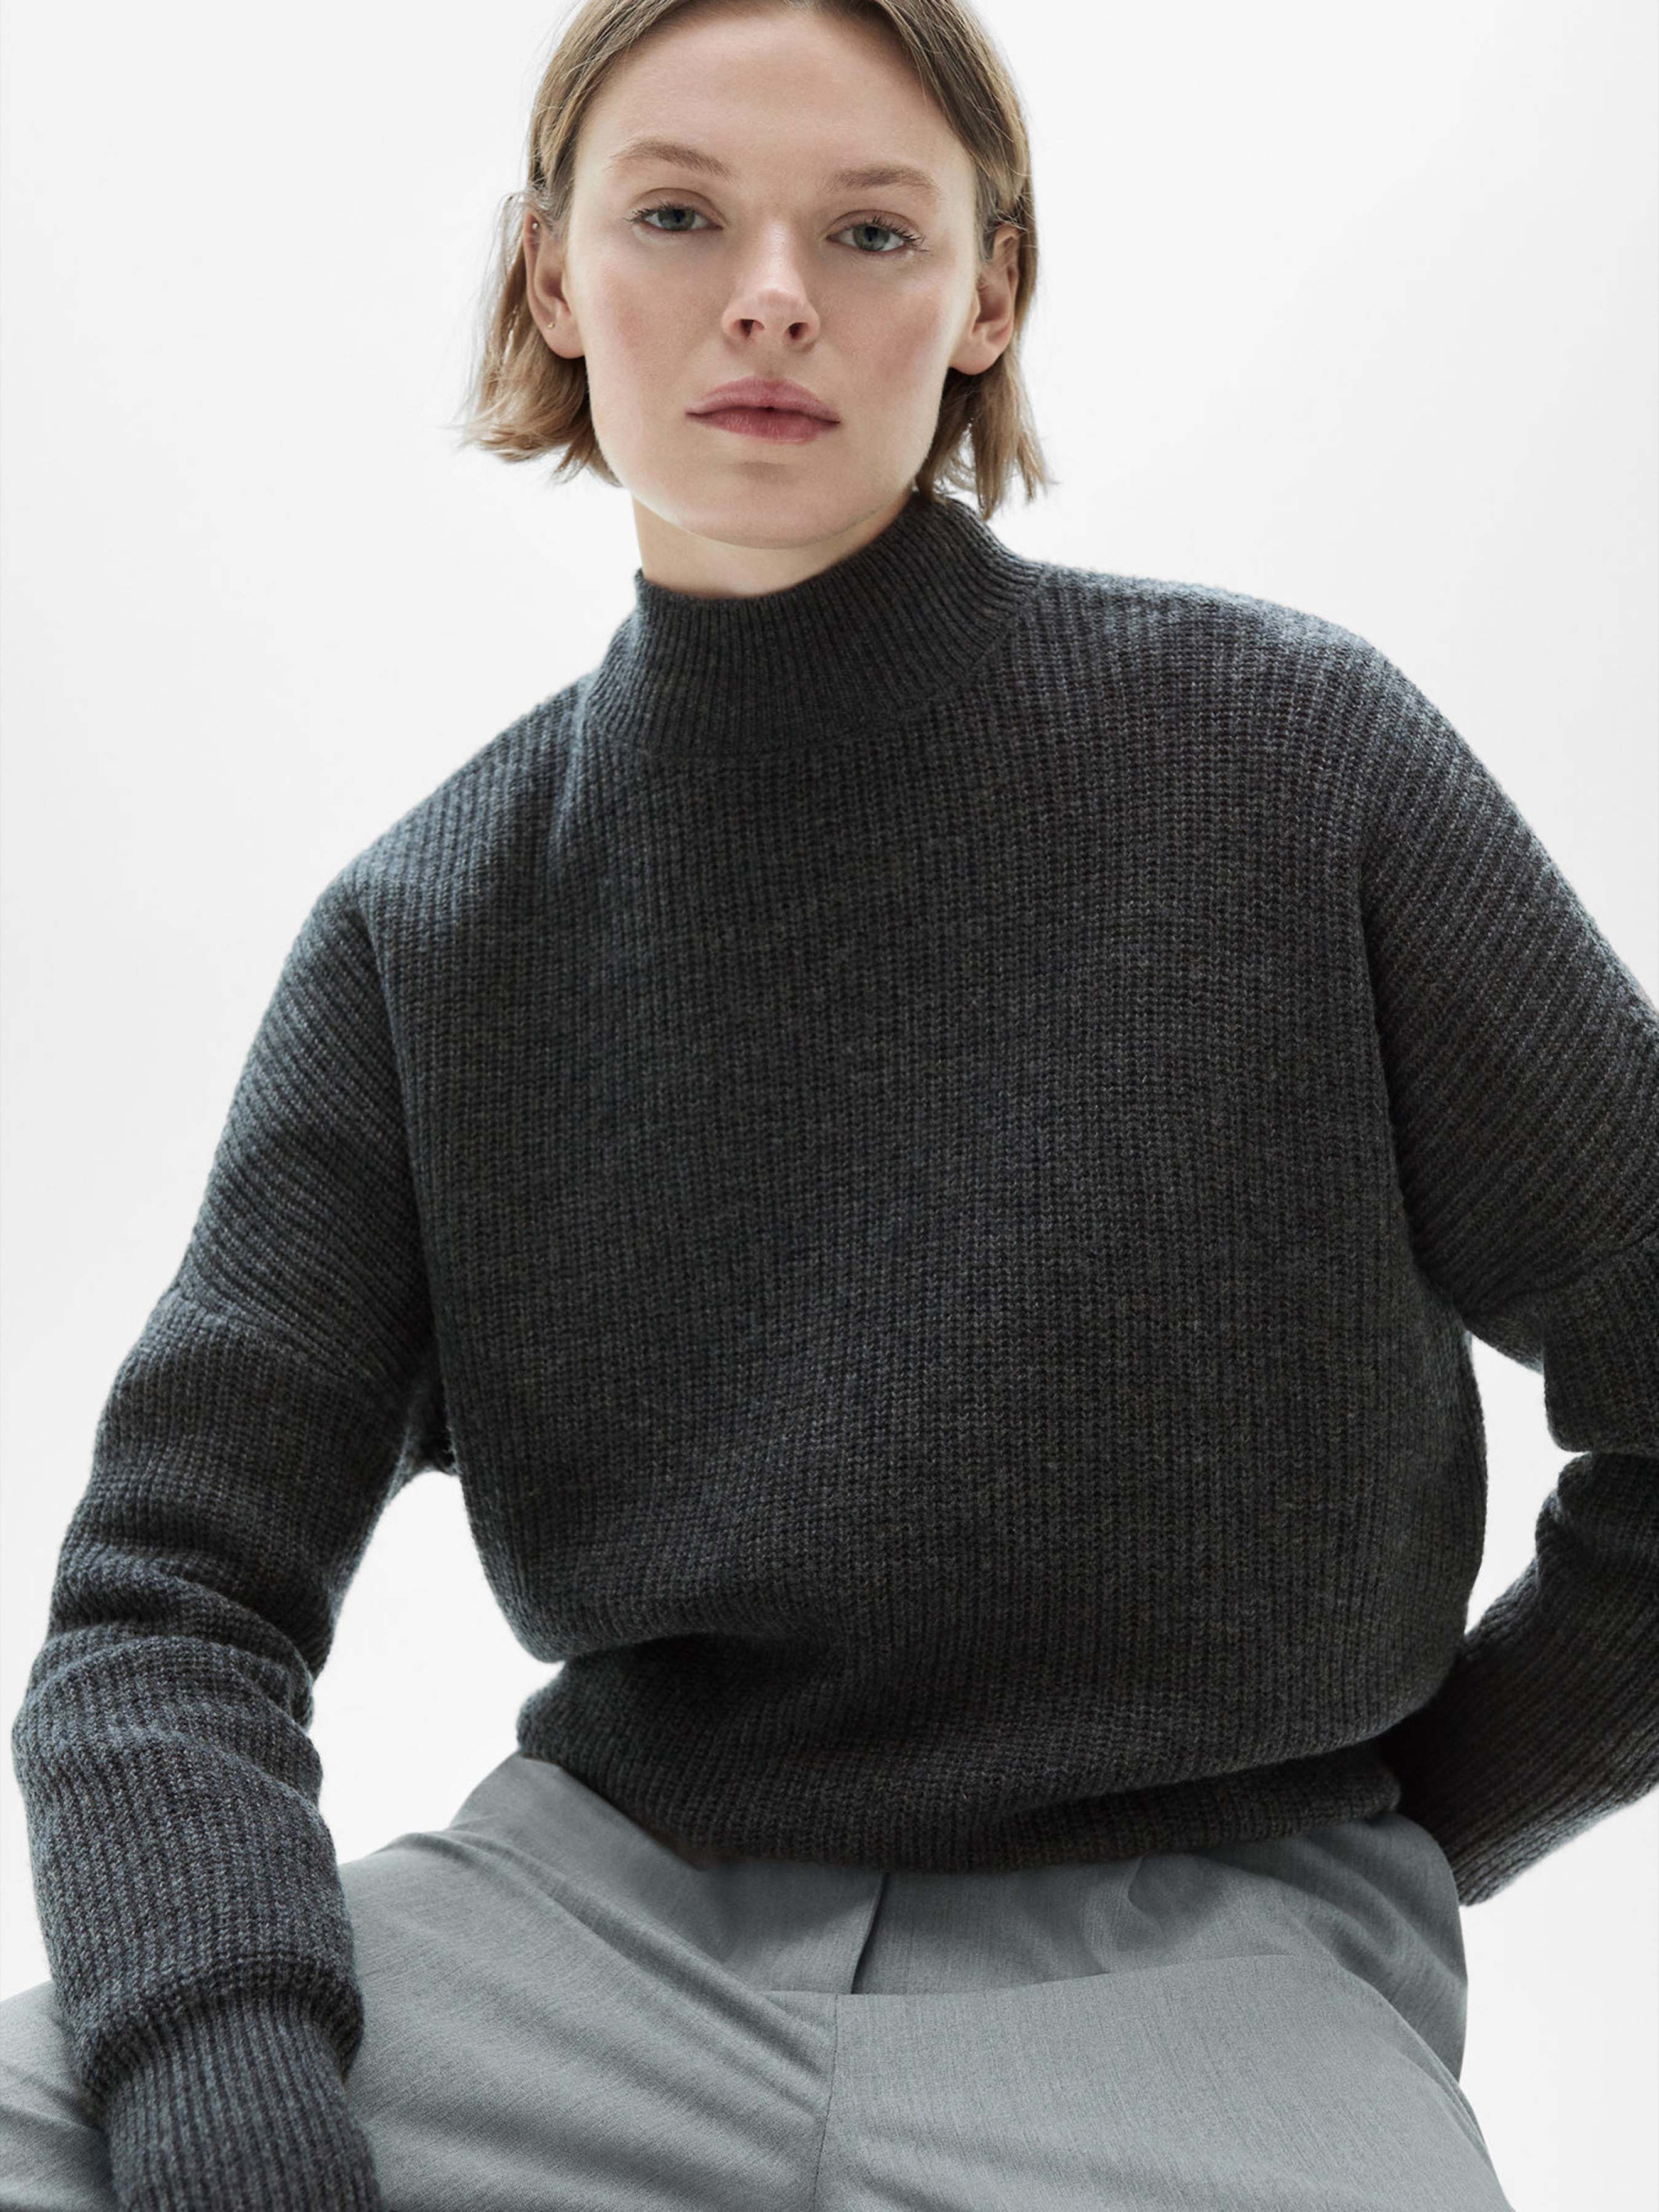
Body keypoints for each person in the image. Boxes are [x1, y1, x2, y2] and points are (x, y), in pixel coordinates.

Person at [4, 0, 1653, 2205]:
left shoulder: (1293, 770)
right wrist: (225, 2079)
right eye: (678, 215)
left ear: (988, 294)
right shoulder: (431, 932)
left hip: (1207, 1955)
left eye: (869, 232)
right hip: (591, 1939)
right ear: (549, 275)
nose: (769, 294)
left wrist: (1411, 1817)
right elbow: (169, 1599)